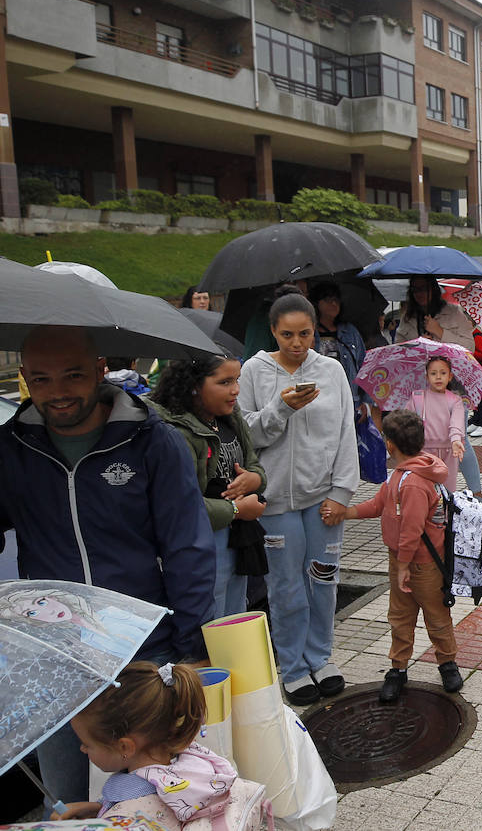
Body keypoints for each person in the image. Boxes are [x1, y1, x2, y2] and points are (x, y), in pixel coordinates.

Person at [0, 326, 214, 807]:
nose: (57, 392)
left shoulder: (151, 440)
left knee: (159, 796)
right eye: (41, 379)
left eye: (73, 375)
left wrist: (193, 648)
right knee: (67, 797)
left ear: (100, 371)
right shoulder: (10, 449)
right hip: (56, 660)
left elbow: (188, 548)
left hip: (144, 655)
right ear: (25, 380)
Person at [239, 287, 359, 707]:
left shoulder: (330, 371)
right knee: (286, 586)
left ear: (314, 333)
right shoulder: (252, 372)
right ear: (273, 331)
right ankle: (291, 667)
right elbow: (248, 435)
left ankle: (321, 658)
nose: (296, 344)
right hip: (275, 502)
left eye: (305, 334)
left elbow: (347, 431)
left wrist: (343, 492)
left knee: (323, 580)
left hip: (323, 497)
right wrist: (282, 408)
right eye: (287, 335)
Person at [341, 410, 464, 703]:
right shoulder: (399, 476)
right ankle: (398, 667)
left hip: (421, 563)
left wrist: (403, 566)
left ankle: (447, 662)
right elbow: (379, 504)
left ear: (390, 445)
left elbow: (411, 529)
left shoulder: (412, 482)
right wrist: (346, 513)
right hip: (404, 560)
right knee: (400, 616)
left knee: (435, 615)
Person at [148, 354, 268, 618]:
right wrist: (236, 509)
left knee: (236, 617)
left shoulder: (230, 415)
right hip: (203, 541)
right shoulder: (175, 432)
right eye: (224, 382)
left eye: (237, 380)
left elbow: (254, 464)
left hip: (238, 538)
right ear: (193, 385)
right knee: (210, 620)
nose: (235, 390)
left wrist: (254, 480)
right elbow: (179, 505)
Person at [54, 662, 236, 825]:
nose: (82, 749)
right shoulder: (191, 768)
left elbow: (133, 811)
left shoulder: (131, 814)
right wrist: (98, 808)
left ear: (125, 747)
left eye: (87, 743)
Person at [406, 356, 481, 497]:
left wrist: (456, 440)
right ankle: (425, 516)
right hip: (423, 452)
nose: (438, 377)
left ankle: (445, 517)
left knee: (447, 491)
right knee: (423, 489)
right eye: (433, 373)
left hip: (449, 451)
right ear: (426, 377)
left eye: (443, 373)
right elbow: (405, 422)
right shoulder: (417, 398)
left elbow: (457, 423)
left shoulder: (455, 400)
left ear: (450, 376)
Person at [310, 281, 368, 411]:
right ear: (316, 303)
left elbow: (364, 366)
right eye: (328, 299)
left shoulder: (350, 331)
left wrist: (365, 402)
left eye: (336, 299)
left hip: (349, 400)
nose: (334, 304)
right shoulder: (309, 332)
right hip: (318, 399)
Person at [396, 276, 478, 349]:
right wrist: (417, 344)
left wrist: (440, 332)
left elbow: (470, 347)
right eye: (415, 290)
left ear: (433, 289)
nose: (419, 294)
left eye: (424, 289)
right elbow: (398, 348)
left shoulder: (453, 312)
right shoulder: (408, 317)